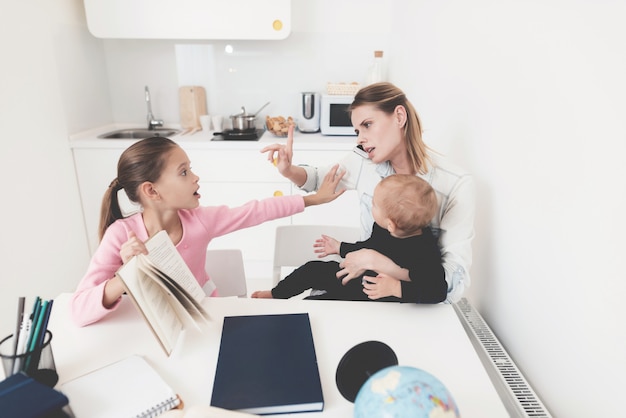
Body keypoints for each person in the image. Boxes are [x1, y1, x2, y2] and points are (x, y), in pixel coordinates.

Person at [71, 136, 345, 326]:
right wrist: (126, 276)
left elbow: (255, 211)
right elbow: (79, 309)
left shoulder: (198, 220)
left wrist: (313, 199)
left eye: (190, 169)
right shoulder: (121, 235)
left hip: (206, 316)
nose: (195, 177)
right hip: (153, 327)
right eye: (183, 172)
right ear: (152, 190)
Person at [261, 82, 475, 303]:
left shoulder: (455, 184)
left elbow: (450, 284)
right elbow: (321, 179)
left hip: (412, 303)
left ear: (399, 117)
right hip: (362, 283)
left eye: (368, 125)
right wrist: (289, 171)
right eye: (357, 130)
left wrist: (377, 263)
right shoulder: (362, 161)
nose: (359, 139)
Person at [251, 174, 447, 303]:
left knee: (315, 304)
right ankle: (276, 294)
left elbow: (437, 291)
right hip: (354, 276)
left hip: (368, 297)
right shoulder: (382, 228)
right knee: (312, 269)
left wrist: (397, 288)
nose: (371, 207)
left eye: (375, 205)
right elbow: (367, 248)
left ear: (391, 224)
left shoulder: (424, 250)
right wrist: (340, 248)